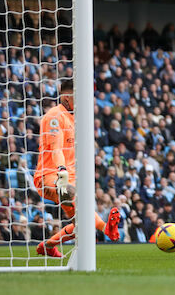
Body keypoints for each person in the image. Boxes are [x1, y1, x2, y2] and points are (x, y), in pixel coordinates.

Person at [35, 80, 121, 257]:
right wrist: (62, 171)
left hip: (72, 178)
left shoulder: (77, 117)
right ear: (67, 97)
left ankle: (48, 246)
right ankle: (105, 228)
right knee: (70, 194)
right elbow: (56, 149)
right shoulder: (54, 116)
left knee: (82, 223)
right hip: (50, 176)